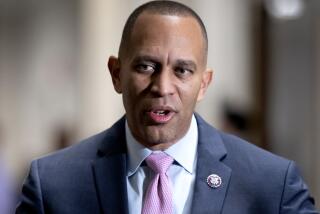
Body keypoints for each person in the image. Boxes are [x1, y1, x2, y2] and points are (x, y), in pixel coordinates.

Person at [16, 1, 318, 213]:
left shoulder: (272, 184)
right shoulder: (54, 184)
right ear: (117, 73)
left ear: (204, 83)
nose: (162, 86)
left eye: (182, 70)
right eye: (147, 66)